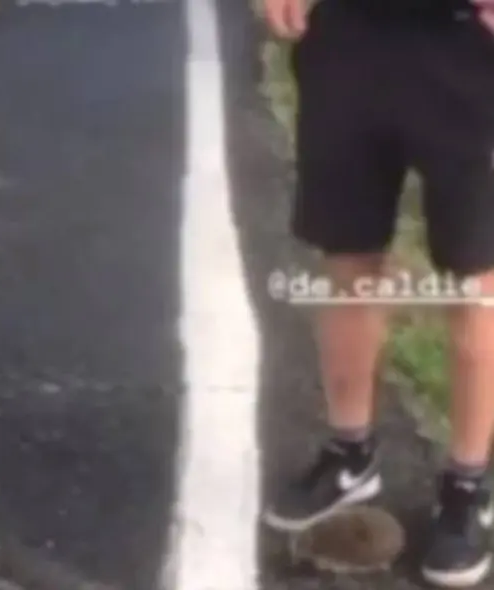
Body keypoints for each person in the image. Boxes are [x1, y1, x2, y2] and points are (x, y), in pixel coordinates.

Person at [261, 0, 494, 587]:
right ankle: (350, 454)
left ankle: (467, 484)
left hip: (468, 42)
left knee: (478, 279)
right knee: (347, 260)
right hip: (348, 33)